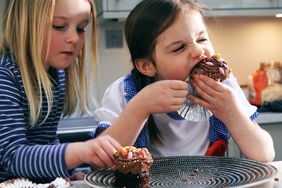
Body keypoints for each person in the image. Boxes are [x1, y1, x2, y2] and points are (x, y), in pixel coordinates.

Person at [93, 0, 275, 162]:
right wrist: (140, 107)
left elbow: (265, 154)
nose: (198, 51)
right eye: (179, 48)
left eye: (202, 38)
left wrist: (232, 113)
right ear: (147, 65)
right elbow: (100, 163)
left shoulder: (224, 87)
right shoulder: (124, 92)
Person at [0, 0, 121, 182]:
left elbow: (46, 141)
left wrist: (62, 175)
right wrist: (80, 151)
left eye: (81, 28)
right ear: (26, 25)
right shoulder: (5, 75)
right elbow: (13, 157)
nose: (74, 38)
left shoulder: (56, 74)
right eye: (59, 26)